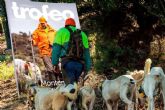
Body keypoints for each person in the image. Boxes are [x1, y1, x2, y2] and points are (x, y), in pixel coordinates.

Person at [52, 18, 91, 84]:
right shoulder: (83, 34)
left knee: (69, 87)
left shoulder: (62, 31)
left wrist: (55, 63)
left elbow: (56, 49)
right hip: (80, 64)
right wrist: (87, 68)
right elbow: (86, 53)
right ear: (74, 25)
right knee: (75, 85)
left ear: (66, 25)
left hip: (67, 63)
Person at [32, 16, 57, 81]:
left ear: (46, 22)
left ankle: (58, 82)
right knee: (50, 68)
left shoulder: (53, 30)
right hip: (44, 52)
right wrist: (32, 41)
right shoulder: (37, 31)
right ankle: (54, 84)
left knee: (57, 67)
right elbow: (35, 40)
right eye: (41, 23)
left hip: (54, 51)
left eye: (43, 23)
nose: (42, 24)